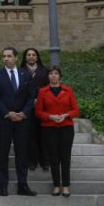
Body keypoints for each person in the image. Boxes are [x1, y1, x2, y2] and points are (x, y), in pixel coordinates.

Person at [0, 47, 37, 197]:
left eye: (9, 56)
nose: (6, 59)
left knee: (21, 154)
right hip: (3, 121)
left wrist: (24, 113)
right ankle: (3, 186)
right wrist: (7, 113)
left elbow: (31, 96)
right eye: (4, 56)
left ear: (16, 58)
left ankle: (23, 185)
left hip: (22, 121)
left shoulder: (26, 74)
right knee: (2, 154)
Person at [35, 66, 80, 197]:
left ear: (60, 77)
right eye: (51, 74)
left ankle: (65, 185)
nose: (53, 76)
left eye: (56, 73)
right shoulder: (42, 91)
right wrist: (50, 116)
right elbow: (38, 111)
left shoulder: (68, 90)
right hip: (49, 128)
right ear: (48, 77)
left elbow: (76, 110)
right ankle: (56, 185)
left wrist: (66, 115)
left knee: (65, 157)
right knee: (53, 157)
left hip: (66, 127)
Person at [22, 47, 50, 172]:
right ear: (25, 57)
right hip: (27, 109)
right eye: (29, 55)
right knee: (29, 135)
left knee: (43, 135)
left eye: (33, 54)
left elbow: (48, 88)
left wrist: (40, 99)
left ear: (37, 57)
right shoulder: (21, 71)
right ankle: (31, 161)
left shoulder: (45, 71)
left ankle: (45, 161)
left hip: (43, 108)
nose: (31, 57)